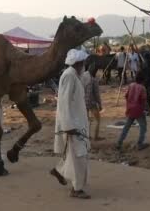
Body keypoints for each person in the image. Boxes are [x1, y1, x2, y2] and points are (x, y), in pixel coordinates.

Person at [50, 49, 91, 199]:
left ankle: (60, 171)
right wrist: (69, 126)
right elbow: (63, 102)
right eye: (84, 62)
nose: (85, 64)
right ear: (79, 63)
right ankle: (76, 189)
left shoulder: (74, 75)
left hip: (78, 123)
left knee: (75, 154)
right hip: (73, 125)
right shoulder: (68, 76)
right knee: (78, 156)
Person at [116, 73, 150, 151]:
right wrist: (149, 110)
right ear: (143, 80)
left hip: (130, 109)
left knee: (127, 126)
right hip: (138, 110)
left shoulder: (131, 85)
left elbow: (126, 96)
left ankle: (119, 142)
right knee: (143, 126)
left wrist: (130, 103)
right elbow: (144, 101)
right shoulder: (142, 88)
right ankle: (140, 143)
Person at [80, 64, 103, 141]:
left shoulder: (83, 76)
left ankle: (87, 136)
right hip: (91, 102)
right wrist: (100, 104)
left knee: (86, 120)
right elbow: (96, 94)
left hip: (83, 101)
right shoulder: (93, 79)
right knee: (98, 120)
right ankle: (95, 136)